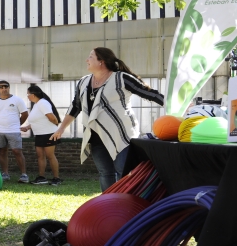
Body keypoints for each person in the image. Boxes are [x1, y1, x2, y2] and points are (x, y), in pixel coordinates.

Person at [51, 47, 165, 191]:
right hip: (95, 136)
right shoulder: (83, 82)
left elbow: (149, 94)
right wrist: (61, 128)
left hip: (121, 136)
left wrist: (177, 106)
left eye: (90, 57)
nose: (87, 60)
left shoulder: (121, 78)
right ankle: (109, 206)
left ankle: (128, 205)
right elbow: (75, 106)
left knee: (124, 173)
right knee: (105, 173)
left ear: (101, 62)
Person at [0, 80, 29, 183]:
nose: (4, 89)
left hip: (14, 131)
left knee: (17, 151)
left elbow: (24, 114)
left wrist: (16, 124)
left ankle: (24, 174)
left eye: (6, 87)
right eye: (1, 87)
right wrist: (0, 123)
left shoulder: (17, 100)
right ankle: (5, 174)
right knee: (2, 151)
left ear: (9, 88)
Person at [20, 85, 62, 185]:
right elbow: (39, 119)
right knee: (40, 156)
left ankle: (56, 178)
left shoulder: (43, 103)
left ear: (33, 95)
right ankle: (42, 177)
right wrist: (27, 127)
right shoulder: (37, 104)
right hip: (39, 134)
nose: (27, 96)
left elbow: (52, 118)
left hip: (48, 133)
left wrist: (57, 129)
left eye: (28, 94)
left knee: (50, 156)